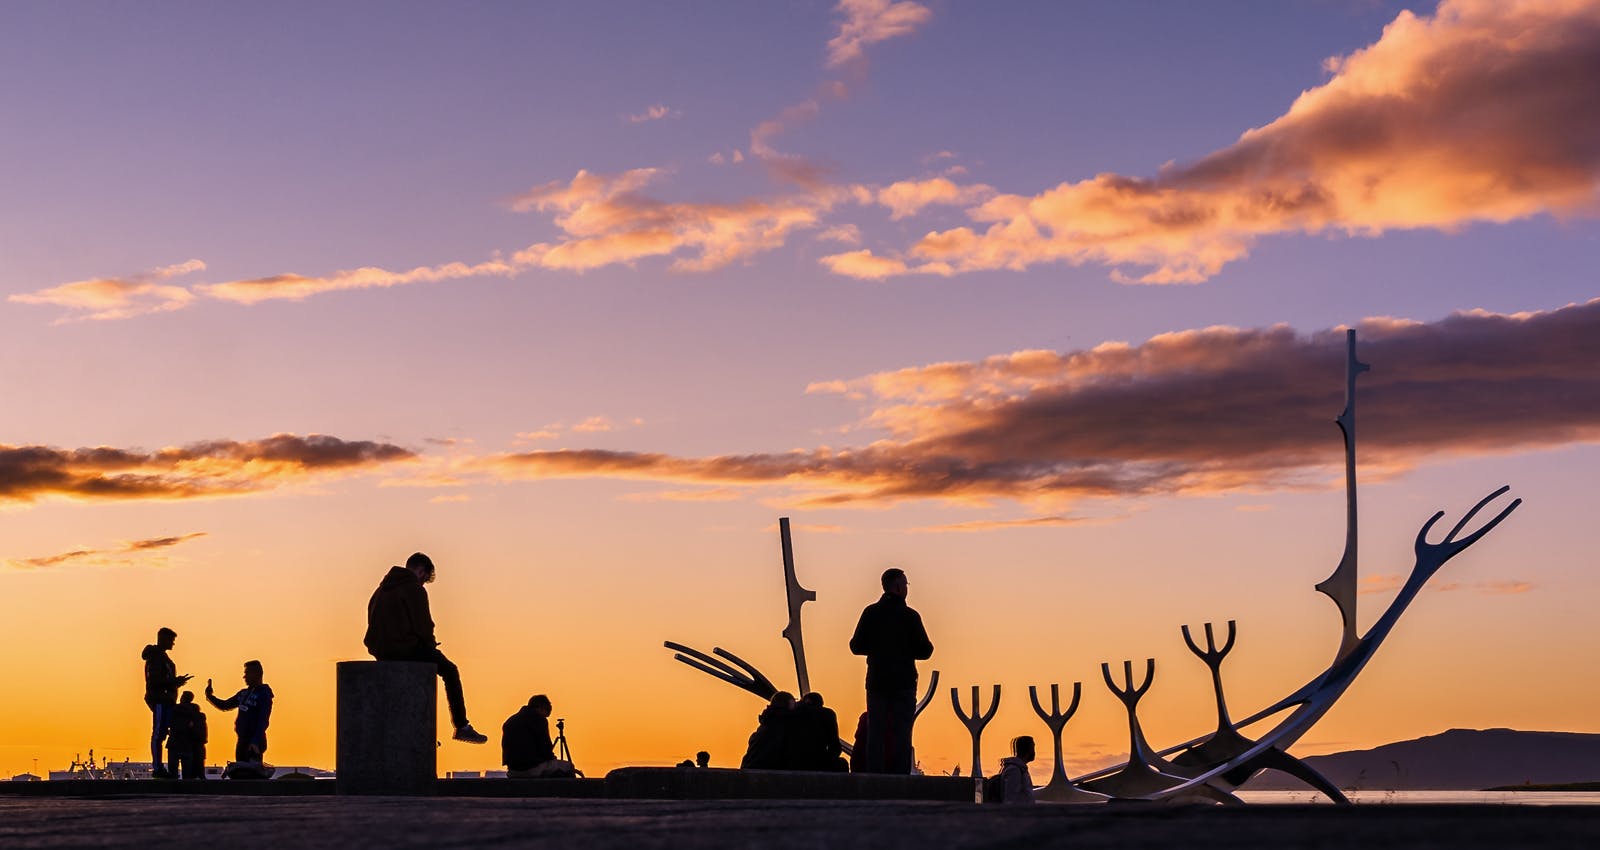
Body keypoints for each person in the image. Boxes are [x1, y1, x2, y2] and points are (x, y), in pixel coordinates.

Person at [364, 552, 488, 744]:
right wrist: (430, 645)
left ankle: (415, 730)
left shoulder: (381, 590)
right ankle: (461, 726)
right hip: (405, 648)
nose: (423, 584)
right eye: (424, 579)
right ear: (420, 571)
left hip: (381, 651)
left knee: (409, 683)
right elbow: (423, 624)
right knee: (450, 671)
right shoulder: (413, 588)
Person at [848, 567, 933, 774]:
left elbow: (856, 646)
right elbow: (926, 650)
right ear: (897, 587)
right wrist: (905, 650)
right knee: (902, 732)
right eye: (905, 584)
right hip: (904, 682)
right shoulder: (910, 616)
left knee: (876, 732)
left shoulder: (871, 613)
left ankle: (874, 776)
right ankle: (899, 777)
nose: (906, 588)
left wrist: (877, 648)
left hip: (877, 681)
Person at [141, 627, 192, 779]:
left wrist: (175, 683)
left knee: (162, 733)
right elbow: (155, 681)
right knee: (158, 734)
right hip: (160, 700)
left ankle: (161, 767)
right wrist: (174, 682)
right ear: (163, 639)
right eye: (171, 640)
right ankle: (157, 767)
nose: (173, 644)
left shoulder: (161, 657)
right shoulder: (156, 657)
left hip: (165, 701)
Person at [205, 660, 273, 769]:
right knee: (241, 772)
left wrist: (255, 741)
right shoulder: (243, 694)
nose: (244, 677)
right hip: (242, 740)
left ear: (256, 674)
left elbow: (263, 720)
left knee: (252, 774)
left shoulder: (264, 695)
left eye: (247, 673)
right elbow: (225, 705)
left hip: (254, 741)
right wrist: (210, 696)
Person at [501, 694, 575, 778]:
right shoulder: (539, 719)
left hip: (513, 771)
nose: (545, 717)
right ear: (540, 708)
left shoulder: (510, 721)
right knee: (568, 767)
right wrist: (552, 759)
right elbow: (546, 748)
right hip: (531, 769)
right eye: (546, 713)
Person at [790, 692, 847, 772]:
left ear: (807, 701)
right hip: (819, 761)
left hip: (794, 762)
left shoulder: (792, 714)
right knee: (842, 763)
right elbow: (835, 746)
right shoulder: (828, 714)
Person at [739, 692, 794, 770]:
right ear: (789, 704)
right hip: (765, 772)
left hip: (750, 770)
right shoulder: (783, 723)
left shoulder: (766, 723)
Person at [166, 691, 208, 780]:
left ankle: (173, 790)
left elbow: (168, 724)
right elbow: (200, 733)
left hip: (173, 743)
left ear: (182, 698)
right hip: (188, 745)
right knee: (187, 775)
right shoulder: (197, 714)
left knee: (172, 773)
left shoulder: (173, 710)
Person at [995, 736, 1037, 804]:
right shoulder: (1014, 771)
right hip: (1019, 813)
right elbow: (1010, 799)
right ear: (1027, 749)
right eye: (1033, 748)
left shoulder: (1020, 769)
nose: (1034, 752)